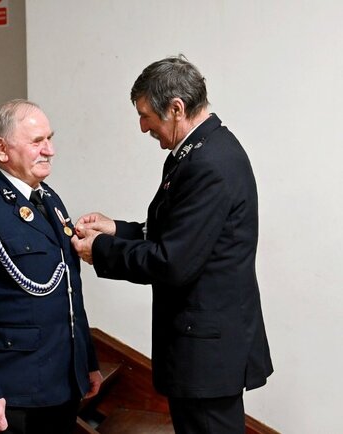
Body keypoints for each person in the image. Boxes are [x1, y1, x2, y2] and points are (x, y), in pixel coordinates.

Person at [71, 55, 273, 433]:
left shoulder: (209, 162)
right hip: (204, 346)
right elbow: (178, 231)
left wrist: (99, 251)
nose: (143, 126)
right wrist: (116, 229)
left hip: (207, 351)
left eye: (146, 115)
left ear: (176, 108)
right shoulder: (199, 149)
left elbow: (172, 261)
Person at [0, 99, 101, 434]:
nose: (50, 150)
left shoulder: (48, 198)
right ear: (1, 149)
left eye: (49, 139)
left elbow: (70, 290)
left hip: (63, 382)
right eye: (37, 142)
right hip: (15, 390)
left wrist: (87, 361)